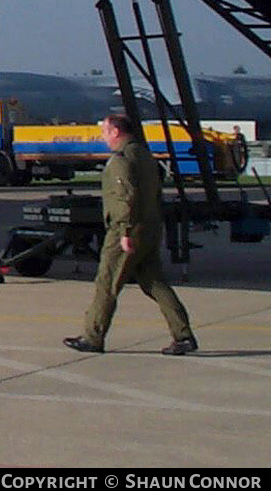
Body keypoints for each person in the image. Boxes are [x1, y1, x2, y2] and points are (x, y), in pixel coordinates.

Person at [63, 114, 199, 356]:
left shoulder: (121, 160)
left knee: (107, 283)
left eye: (105, 131)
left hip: (126, 229)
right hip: (150, 226)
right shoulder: (145, 156)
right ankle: (183, 335)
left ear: (116, 132)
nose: (103, 137)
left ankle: (93, 337)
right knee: (154, 282)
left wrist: (125, 231)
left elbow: (125, 197)